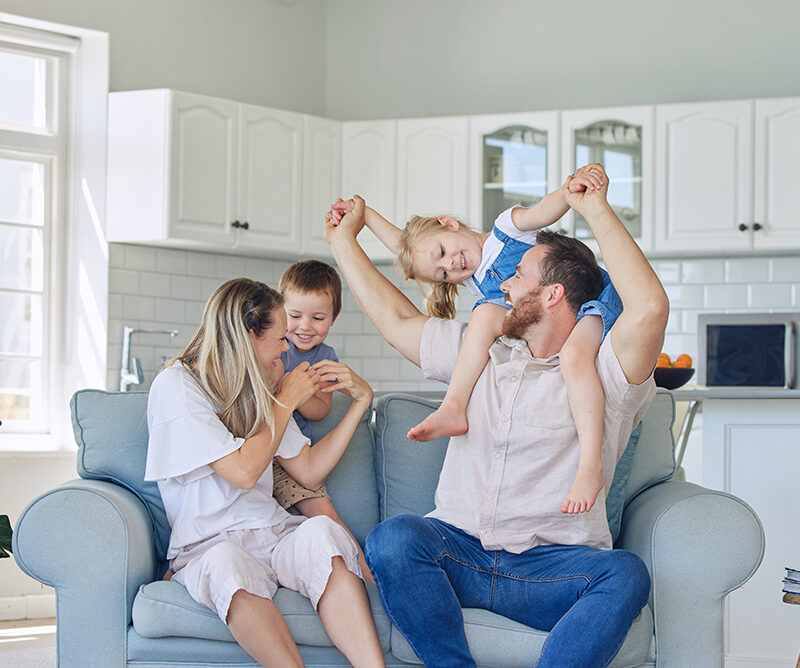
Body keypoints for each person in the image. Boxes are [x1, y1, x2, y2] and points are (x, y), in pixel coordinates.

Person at [324, 164, 669, 668]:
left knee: (625, 574)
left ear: (551, 295)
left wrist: (594, 208)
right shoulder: (480, 349)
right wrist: (343, 242)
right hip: (460, 552)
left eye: (518, 274)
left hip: (550, 568)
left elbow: (651, 307)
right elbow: (398, 319)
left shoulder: (606, 373)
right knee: (394, 537)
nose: (501, 282)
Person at [330, 164, 620, 514]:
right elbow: (410, 248)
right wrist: (363, 219)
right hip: (552, 314)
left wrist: (568, 192)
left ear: (449, 223)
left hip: (594, 298)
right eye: (442, 273)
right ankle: (454, 406)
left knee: (575, 358)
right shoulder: (470, 277)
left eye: (444, 253)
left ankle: (590, 467)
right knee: (484, 314)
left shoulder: (505, 230)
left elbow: (542, 211)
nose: (450, 265)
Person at [144, 278, 385, 668]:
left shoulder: (261, 385)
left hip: (272, 535)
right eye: (279, 337)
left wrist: (361, 403)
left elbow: (307, 472)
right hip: (209, 543)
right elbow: (241, 472)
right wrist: (286, 400)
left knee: (324, 532)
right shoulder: (178, 385)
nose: (287, 347)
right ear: (249, 336)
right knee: (226, 563)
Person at [273, 259, 372, 581]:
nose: (305, 326)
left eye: (318, 318)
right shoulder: (270, 346)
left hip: (292, 456)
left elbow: (320, 410)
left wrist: (297, 393)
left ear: (333, 317)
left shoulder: (324, 358)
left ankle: (370, 580)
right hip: (261, 445)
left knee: (326, 515)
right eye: (294, 315)